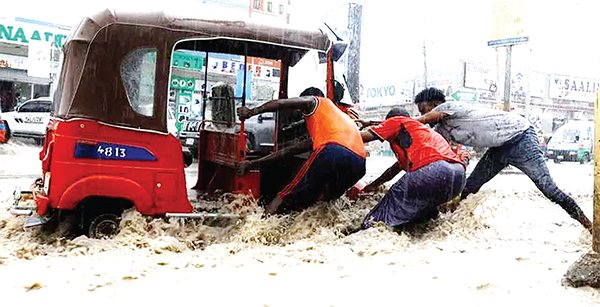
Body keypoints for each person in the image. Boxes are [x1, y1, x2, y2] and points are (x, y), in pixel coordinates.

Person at [414, 87, 593, 232]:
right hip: (499, 148)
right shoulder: (441, 129)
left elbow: (424, 119)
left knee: (549, 189)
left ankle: (589, 226)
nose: (424, 116)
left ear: (436, 105)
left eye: (424, 110)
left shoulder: (453, 106)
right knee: (468, 188)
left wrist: (404, 122)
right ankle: (448, 227)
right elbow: (430, 148)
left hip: (521, 138)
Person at [237, 87, 367, 214]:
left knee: (288, 192)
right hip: (360, 164)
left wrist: (251, 112)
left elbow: (281, 103)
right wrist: (252, 164)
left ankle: (262, 224)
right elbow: (289, 151)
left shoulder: (316, 101)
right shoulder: (334, 122)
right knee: (326, 201)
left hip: (332, 151)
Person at [358, 107, 466, 228]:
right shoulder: (420, 132)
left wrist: (342, 128)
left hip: (434, 170)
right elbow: (392, 171)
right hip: (458, 177)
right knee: (420, 210)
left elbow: (360, 137)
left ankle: (367, 230)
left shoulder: (397, 122)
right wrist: (372, 186)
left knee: (394, 199)